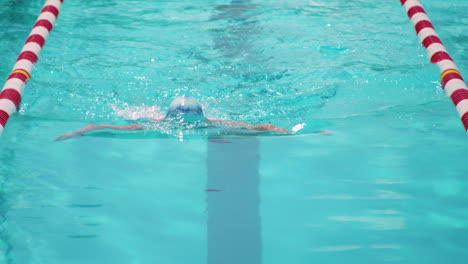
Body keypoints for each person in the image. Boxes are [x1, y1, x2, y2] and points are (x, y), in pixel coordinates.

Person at [54, 95, 297, 141]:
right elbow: (99, 125)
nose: (187, 125)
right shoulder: (151, 122)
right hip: (152, 117)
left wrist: (282, 130)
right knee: (137, 111)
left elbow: (257, 126)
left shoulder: (213, 122)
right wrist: (78, 132)